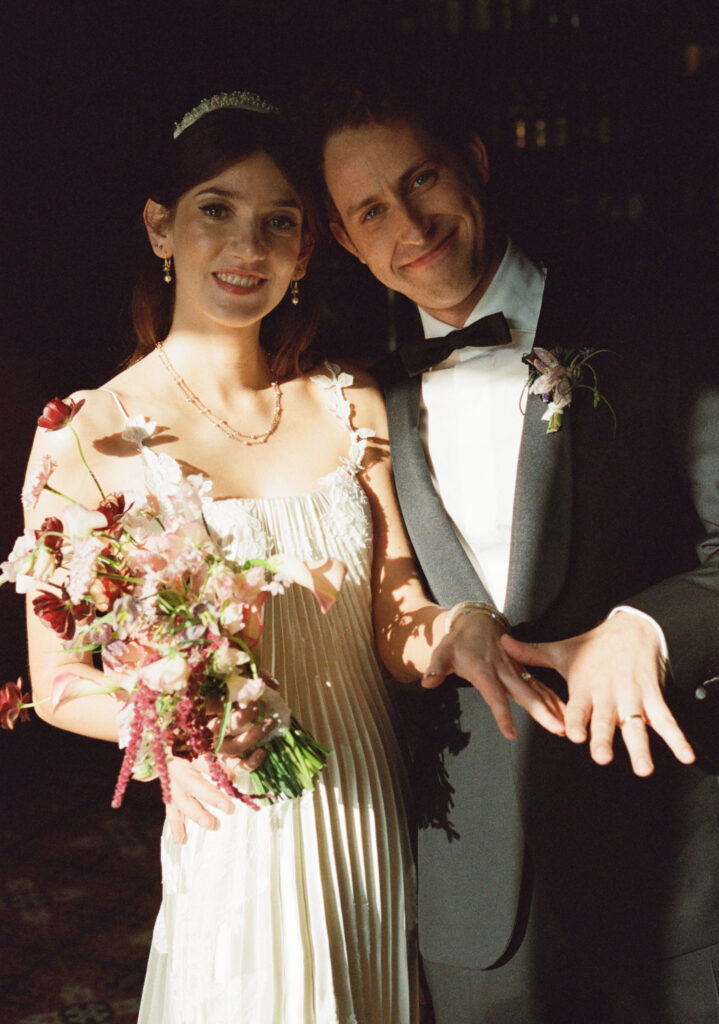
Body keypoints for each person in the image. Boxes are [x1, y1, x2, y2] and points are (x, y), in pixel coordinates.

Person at [23, 92, 565, 1024]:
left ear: (306, 252)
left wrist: (456, 629)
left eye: (279, 221)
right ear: (160, 228)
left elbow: (395, 615)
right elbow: (58, 684)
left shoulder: (346, 401)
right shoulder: (86, 434)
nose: (249, 246)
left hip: (375, 815)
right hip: (240, 823)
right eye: (216, 210)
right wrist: (175, 727)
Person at [308, 69, 719, 1023]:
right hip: (473, 902)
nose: (409, 225)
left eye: (420, 179)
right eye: (370, 211)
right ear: (342, 237)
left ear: (474, 161)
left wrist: (649, 628)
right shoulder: (351, 396)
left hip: (672, 871)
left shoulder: (657, 320)